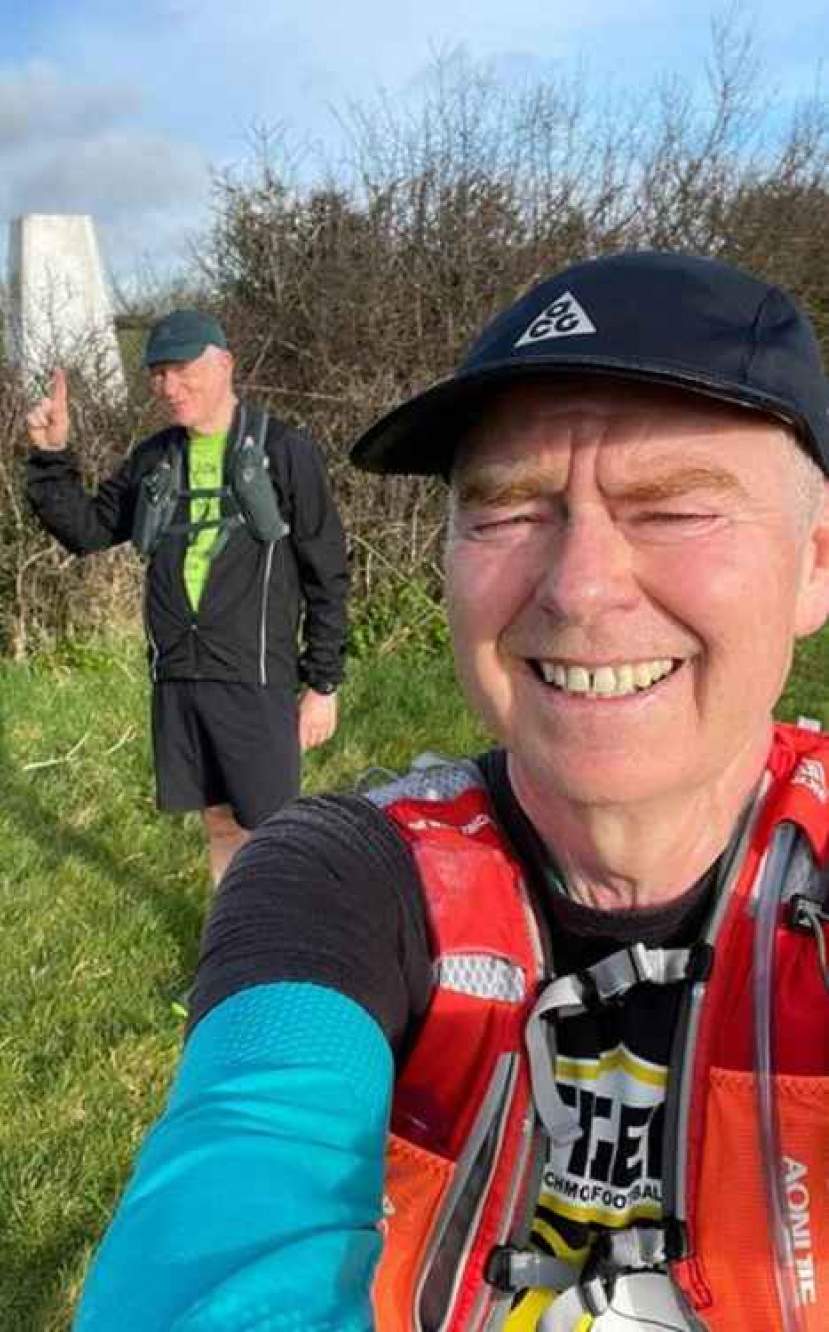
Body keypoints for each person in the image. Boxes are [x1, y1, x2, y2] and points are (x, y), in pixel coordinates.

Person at [72, 253, 829, 1331]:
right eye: (509, 510)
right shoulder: (342, 872)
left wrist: (319, 671)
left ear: (814, 564)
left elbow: (318, 565)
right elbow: (241, 1169)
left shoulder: (273, 449)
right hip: (184, 683)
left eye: (670, 509)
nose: (576, 587)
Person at [25, 310, 348, 884]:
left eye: (181, 371)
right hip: (179, 675)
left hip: (254, 676)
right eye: (157, 375)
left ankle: (279, 953)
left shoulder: (285, 450)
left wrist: (322, 684)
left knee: (273, 832)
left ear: (223, 364)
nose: (168, 388)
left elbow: (327, 572)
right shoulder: (155, 458)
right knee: (220, 824)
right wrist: (53, 458)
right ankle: (229, 947)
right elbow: (88, 532)